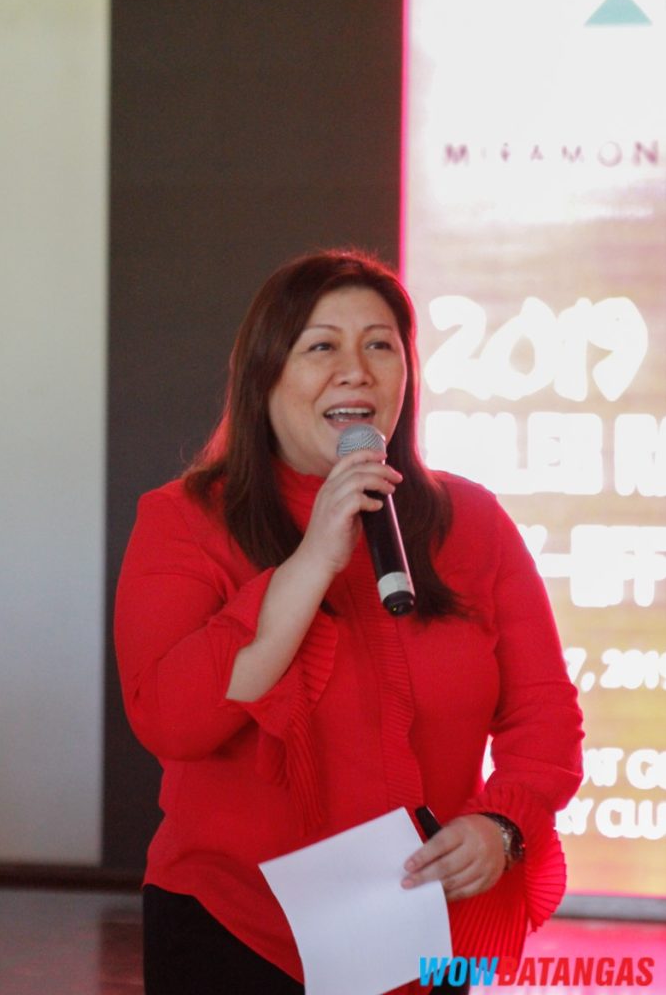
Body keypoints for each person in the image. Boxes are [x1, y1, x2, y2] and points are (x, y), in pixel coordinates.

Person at [115, 249, 584, 995]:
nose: (355, 372)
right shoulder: (183, 520)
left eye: (379, 346)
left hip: (416, 933)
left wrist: (502, 825)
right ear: (265, 374)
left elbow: (545, 716)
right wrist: (309, 564)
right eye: (321, 347)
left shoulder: (472, 522)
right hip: (236, 926)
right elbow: (171, 720)